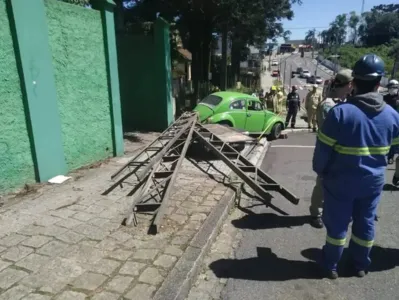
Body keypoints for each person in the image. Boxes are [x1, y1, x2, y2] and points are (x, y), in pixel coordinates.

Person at [313, 54, 399, 280]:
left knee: (338, 224)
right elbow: (394, 149)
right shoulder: (392, 116)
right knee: (366, 222)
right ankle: (359, 264)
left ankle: (330, 264)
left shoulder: (340, 113)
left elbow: (322, 151)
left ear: (354, 83)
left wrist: (321, 171)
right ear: (379, 83)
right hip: (373, 182)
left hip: (340, 180)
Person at [309, 69, 353, 229]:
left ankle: (331, 211)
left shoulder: (346, 103)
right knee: (322, 183)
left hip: (342, 152)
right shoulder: (328, 105)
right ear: (347, 85)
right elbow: (333, 129)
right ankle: (316, 213)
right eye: (351, 84)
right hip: (328, 151)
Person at [384, 80, 399, 165]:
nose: (391, 89)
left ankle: (391, 157)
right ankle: (389, 156)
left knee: (394, 142)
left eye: (393, 87)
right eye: (390, 87)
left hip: (396, 122)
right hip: (387, 121)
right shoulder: (385, 98)